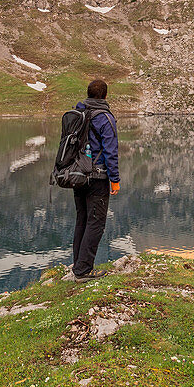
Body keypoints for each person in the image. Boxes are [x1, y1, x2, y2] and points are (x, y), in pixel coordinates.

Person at [71, 78, 119, 281]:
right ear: (105, 96)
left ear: (89, 94)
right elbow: (111, 150)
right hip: (98, 177)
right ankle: (83, 271)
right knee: (96, 222)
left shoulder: (78, 113)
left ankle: (79, 265)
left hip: (77, 174)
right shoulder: (104, 117)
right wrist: (114, 179)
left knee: (82, 219)